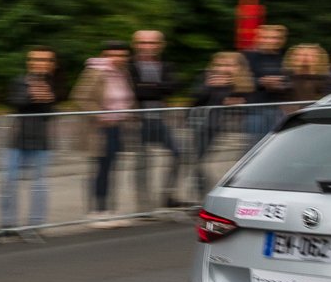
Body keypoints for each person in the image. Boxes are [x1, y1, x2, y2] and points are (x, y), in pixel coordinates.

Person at [70, 40, 136, 224]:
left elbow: (127, 97)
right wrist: (100, 116)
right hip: (100, 129)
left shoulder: (124, 73)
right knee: (101, 168)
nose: (118, 58)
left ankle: (109, 209)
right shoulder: (94, 72)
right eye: (113, 54)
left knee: (112, 168)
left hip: (117, 127)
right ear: (104, 55)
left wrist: (128, 112)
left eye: (122, 55)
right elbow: (80, 96)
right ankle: (96, 211)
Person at [1, 46, 62, 234]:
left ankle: (35, 223)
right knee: (9, 181)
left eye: (45, 60)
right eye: (35, 60)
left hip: (42, 141)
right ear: (29, 62)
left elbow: (50, 114)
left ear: (52, 64)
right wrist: (31, 95)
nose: (39, 64)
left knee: (39, 183)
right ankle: (8, 223)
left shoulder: (56, 84)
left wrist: (46, 99)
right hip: (17, 139)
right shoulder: (19, 81)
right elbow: (14, 103)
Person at [129, 29, 184, 209]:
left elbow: (173, 87)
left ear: (161, 45)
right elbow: (136, 91)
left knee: (179, 154)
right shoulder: (130, 67)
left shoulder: (166, 66)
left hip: (159, 120)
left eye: (152, 43)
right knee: (142, 163)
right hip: (137, 122)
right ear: (135, 45)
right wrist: (157, 88)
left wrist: (148, 87)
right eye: (143, 43)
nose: (147, 47)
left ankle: (167, 195)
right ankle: (143, 207)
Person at [188, 51, 253, 199]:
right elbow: (196, 101)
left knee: (231, 166)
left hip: (235, 133)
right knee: (202, 164)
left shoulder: (245, 83)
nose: (223, 69)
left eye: (229, 65)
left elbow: (251, 104)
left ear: (240, 67)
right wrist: (209, 87)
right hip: (207, 128)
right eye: (219, 65)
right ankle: (204, 197)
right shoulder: (206, 80)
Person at [243, 24, 289, 140]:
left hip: (280, 108)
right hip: (254, 108)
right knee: (255, 144)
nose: (269, 41)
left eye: (274, 37)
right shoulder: (247, 57)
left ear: (282, 40)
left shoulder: (287, 57)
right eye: (265, 37)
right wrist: (261, 82)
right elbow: (239, 80)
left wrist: (282, 83)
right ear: (258, 38)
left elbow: (295, 79)